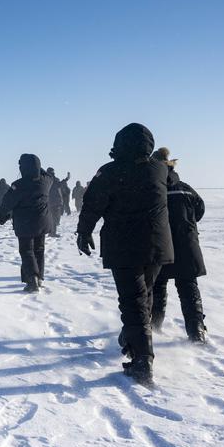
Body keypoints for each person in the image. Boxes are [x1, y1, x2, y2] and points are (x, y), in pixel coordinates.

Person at [76, 123, 173, 385]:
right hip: (157, 245)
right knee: (146, 294)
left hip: (126, 245)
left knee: (134, 301)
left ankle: (142, 361)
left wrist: (83, 232)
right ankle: (134, 339)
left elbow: (92, 203)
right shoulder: (159, 169)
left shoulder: (110, 171)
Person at [149, 148, 208, 343]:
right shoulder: (186, 188)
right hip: (187, 244)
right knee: (189, 288)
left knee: (158, 286)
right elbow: (199, 210)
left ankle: (154, 327)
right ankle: (197, 331)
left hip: (161, 245)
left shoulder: (153, 188)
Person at [0, 154, 53, 292]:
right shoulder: (46, 181)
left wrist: (0, 216)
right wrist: (37, 167)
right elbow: (47, 174)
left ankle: (32, 280)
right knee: (39, 249)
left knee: (26, 250)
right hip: (43, 221)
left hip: (26, 223)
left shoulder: (19, 185)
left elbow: (7, 203)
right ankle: (39, 278)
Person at [46, 168, 69, 237]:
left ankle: (51, 232)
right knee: (55, 218)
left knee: (51, 218)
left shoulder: (45, 179)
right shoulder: (55, 180)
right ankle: (52, 233)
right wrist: (66, 179)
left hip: (49, 202)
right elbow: (60, 184)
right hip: (56, 202)